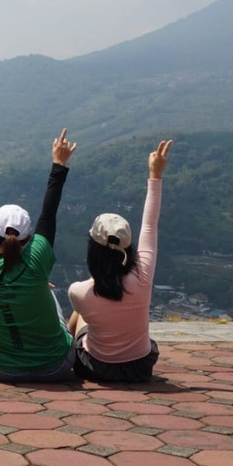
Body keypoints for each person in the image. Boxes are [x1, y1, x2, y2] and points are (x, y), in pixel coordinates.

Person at [0, 128, 78, 382]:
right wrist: (59, 164)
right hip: (55, 367)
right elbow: (48, 214)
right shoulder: (36, 261)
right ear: (28, 240)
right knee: (46, 289)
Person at [67, 140, 173, 382]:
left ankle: (65, 357)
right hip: (140, 368)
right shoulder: (143, 275)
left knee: (80, 314)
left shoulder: (79, 291)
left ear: (93, 249)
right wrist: (155, 174)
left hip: (97, 368)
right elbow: (150, 225)